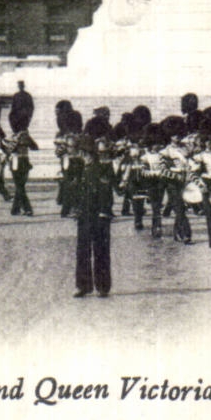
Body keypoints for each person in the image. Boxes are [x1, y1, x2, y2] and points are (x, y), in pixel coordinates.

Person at [73, 127, 116, 298]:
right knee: (82, 251)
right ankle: (83, 285)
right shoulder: (82, 169)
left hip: (99, 216)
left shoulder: (101, 169)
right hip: (85, 215)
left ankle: (103, 286)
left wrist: (105, 211)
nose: (82, 156)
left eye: (83, 153)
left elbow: (106, 193)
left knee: (101, 251)